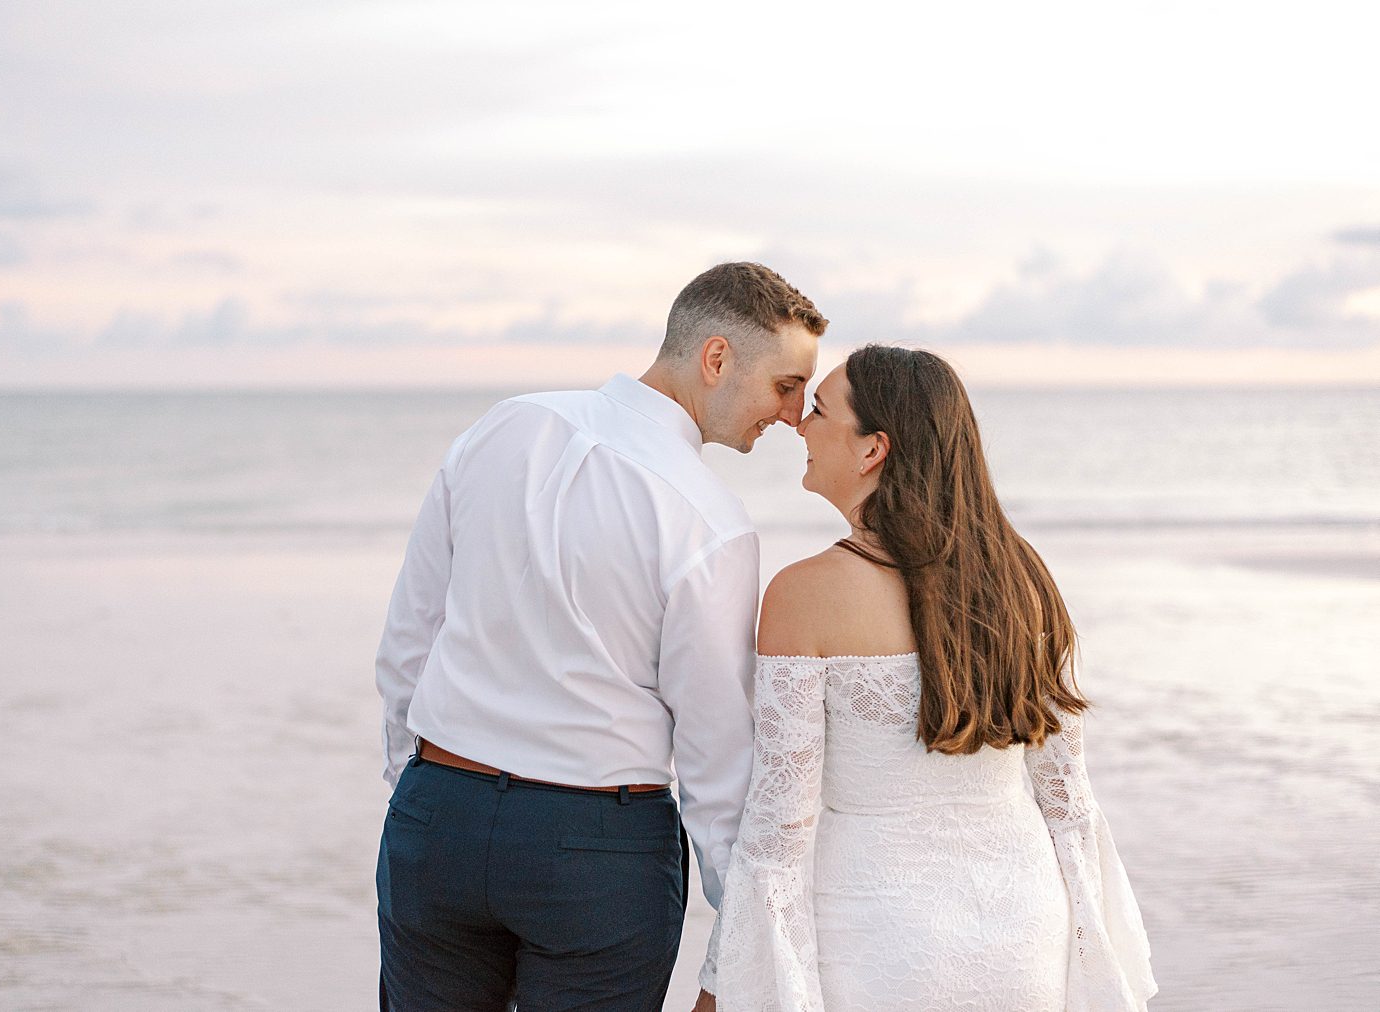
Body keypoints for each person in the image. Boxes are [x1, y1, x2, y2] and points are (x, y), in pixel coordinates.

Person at [374, 262, 827, 1010]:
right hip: (595, 854)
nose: (789, 414)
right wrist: (731, 958)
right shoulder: (710, 522)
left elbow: (408, 644)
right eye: (785, 386)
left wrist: (416, 795)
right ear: (716, 358)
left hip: (437, 818)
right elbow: (718, 762)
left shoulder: (503, 426)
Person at [696, 346, 1157, 1011]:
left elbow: (778, 829)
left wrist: (721, 984)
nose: (800, 423)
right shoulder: (1022, 580)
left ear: (872, 449)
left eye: (820, 410)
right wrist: (1097, 958)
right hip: (1025, 929)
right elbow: (1067, 803)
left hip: (878, 933)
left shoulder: (805, 595)